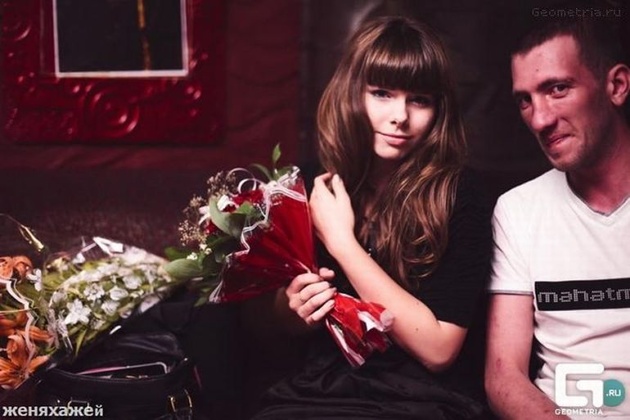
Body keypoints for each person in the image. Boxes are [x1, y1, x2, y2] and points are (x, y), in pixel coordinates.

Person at [251, 16, 494, 420]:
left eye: (420, 100)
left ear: (438, 109)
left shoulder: (460, 195)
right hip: (320, 390)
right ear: (353, 95)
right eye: (382, 93)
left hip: (421, 399)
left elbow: (439, 350)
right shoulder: (314, 185)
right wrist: (293, 308)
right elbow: (274, 330)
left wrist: (341, 243)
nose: (400, 116)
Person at [485, 13, 630, 420]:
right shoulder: (518, 210)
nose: (540, 119)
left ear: (616, 86)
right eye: (525, 100)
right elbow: (503, 377)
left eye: (557, 89)